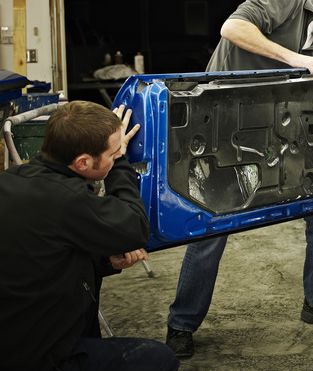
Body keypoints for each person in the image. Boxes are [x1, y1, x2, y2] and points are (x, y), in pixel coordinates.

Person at [165, 0, 313, 358]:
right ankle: (181, 323)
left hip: (275, 136)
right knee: (213, 224)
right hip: (225, 131)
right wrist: (294, 58)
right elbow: (233, 28)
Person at [0, 101, 180, 371]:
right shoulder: (68, 200)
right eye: (113, 152)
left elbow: (46, 256)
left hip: (13, 337)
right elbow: (136, 227)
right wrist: (121, 163)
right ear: (83, 162)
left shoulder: (12, 179)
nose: (119, 153)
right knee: (158, 359)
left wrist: (105, 260)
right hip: (36, 355)